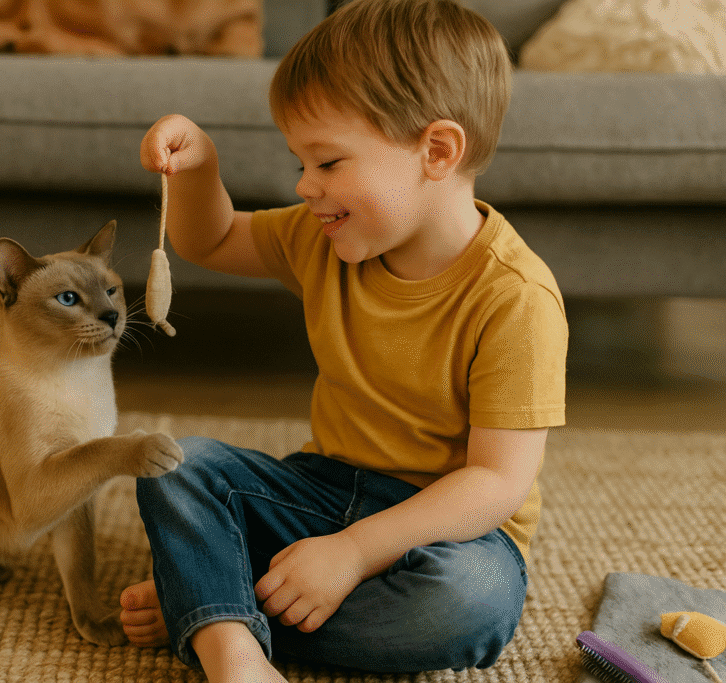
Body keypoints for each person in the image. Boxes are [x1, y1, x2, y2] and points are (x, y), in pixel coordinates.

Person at [119, 0, 569, 680]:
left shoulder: (515, 296)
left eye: (327, 161)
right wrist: (201, 165)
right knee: (171, 462)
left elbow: (497, 481)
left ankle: (214, 601)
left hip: (447, 531)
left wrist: (355, 552)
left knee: (471, 602)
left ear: (437, 151)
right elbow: (210, 239)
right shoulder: (320, 238)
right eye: (301, 161)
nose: (305, 186)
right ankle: (231, 647)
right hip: (322, 490)